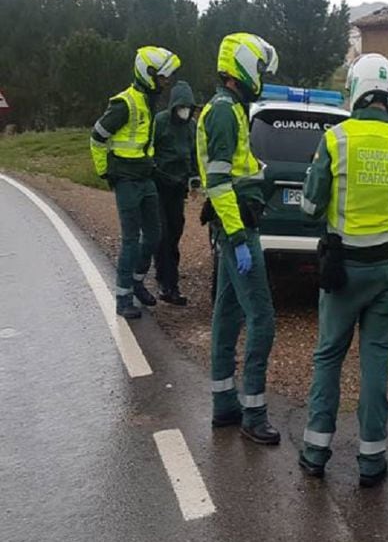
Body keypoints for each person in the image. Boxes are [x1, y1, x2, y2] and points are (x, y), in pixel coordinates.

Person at [298, 53, 388, 487]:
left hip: (341, 272)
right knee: (376, 365)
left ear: (355, 91)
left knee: (329, 357)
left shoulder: (335, 140)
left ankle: (316, 452)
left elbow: (312, 206)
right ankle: (372, 461)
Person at [197, 33, 281, 445]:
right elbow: (217, 182)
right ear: (243, 67)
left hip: (234, 225)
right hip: (237, 229)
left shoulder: (227, 108)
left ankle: (224, 404)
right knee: (262, 319)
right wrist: (238, 237)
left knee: (227, 315)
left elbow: (231, 171)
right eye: (259, 68)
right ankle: (254, 412)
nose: (260, 77)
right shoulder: (224, 113)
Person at [91, 46, 181, 320]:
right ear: (149, 74)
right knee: (131, 240)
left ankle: (137, 280)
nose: (167, 83)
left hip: (145, 178)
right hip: (127, 180)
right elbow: (97, 137)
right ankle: (122, 297)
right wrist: (105, 172)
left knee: (155, 234)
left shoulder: (149, 102)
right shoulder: (125, 103)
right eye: (164, 77)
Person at [152, 80, 197, 306]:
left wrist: (195, 178)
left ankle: (173, 285)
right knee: (161, 235)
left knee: (175, 235)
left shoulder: (191, 127)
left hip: (178, 189)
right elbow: (149, 150)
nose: (184, 111)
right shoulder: (159, 122)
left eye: (188, 107)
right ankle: (163, 282)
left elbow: (195, 154)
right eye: (181, 106)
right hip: (159, 186)